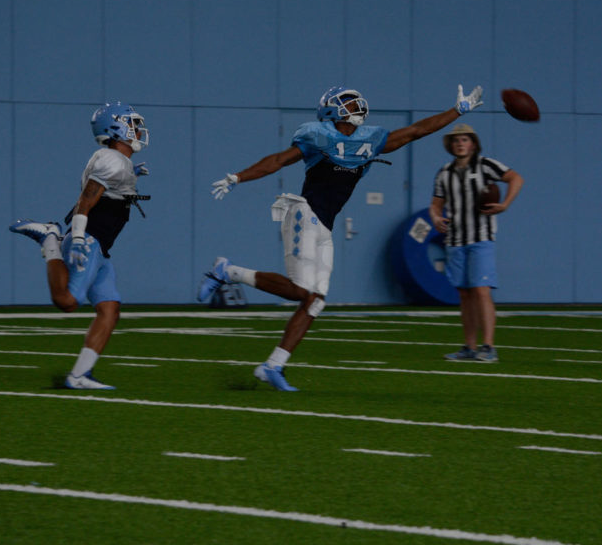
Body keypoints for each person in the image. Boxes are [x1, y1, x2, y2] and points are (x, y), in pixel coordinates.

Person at [198, 84, 485, 391]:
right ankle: (227, 271)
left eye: (354, 100)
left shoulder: (370, 138)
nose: (355, 104)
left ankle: (273, 365)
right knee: (301, 291)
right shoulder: (317, 135)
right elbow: (279, 160)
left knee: (315, 301)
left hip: (325, 225)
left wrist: (458, 111)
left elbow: (416, 131)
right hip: (304, 211)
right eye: (347, 101)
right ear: (331, 109)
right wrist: (238, 177)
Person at [9, 102, 150, 390]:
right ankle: (50, 239)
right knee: (67, 302)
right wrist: (77, 239)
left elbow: (109, 194)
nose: (138, 130)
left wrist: (131, 175)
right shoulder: (112, 160)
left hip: (101, 246)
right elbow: (86, 201)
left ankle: (79, 376)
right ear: (116, 129)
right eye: (133, 125)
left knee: (109, 309)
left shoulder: (116, 162)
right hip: (89, 240)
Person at [430, 123, 523, 363]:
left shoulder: (486, 165)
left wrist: (505, 204)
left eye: (464, 139)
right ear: (450, 145)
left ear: (473, 143)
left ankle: (489, 346)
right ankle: (469, 347)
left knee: (482, 290)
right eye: (456, 140)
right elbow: (436, 204)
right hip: (455, 239)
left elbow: (516, 178)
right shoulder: (444, 172)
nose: (460, 144)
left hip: (481, 237)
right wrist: (436, 218)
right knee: (464, 294)